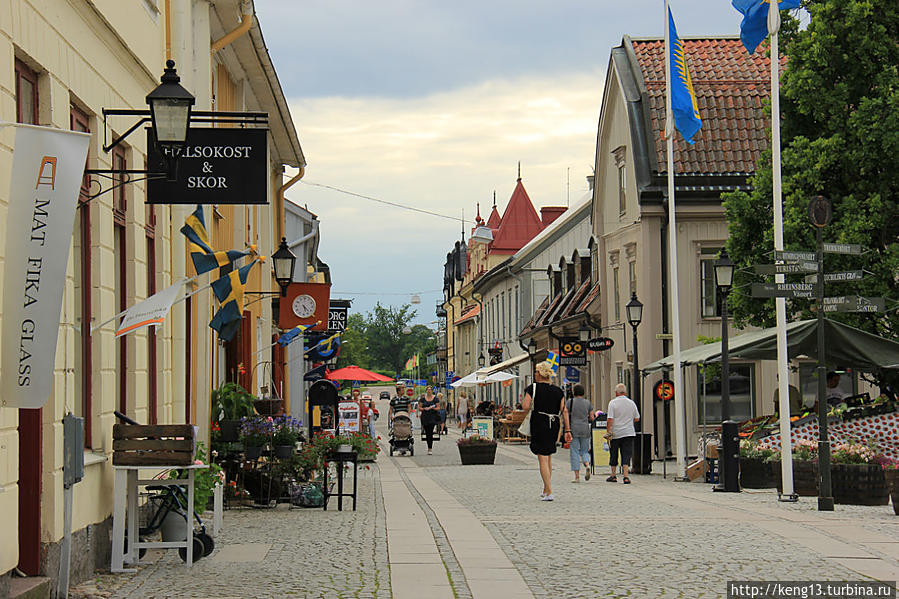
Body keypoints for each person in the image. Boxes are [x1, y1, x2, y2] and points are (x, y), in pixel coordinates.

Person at [522, 361, 571, 501]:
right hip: (554, 424)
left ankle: (549, 491)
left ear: (541, 374)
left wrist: (529, 402)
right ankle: (545, 488)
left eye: (537, 372)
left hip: (540, 422)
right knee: (548, 455)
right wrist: (568, 430)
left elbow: (525, 406)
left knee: (542, 457)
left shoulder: (533, 388)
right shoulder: (558, 390)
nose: (535, 374)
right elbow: (564, 410)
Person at [606, 383, 640, 484]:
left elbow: (610, 419)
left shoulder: (613, 403)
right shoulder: (631, 403)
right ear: (625, 392)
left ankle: (613, 475)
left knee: (614, 453)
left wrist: (608, 432)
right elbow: (637, 418)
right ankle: (626, 476)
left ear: (616, 393)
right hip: (628, 432)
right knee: (626, 453)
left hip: (616, 432)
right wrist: (628, 420)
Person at [567, 384, 594, 483]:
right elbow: (592, 417)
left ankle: (577, 476)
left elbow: (565, 413)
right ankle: (587, 465)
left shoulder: (570, 402)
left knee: (574, 451)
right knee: (585, 450)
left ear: (574, 392)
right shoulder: (587, 403)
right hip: (585, 428)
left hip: (574, 428)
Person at [419, 388, 440, 455]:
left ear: (432, 391)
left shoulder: (435, 399)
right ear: (426, 391)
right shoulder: (423, 399)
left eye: (430, 389)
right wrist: (424, 408)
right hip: (425, 416)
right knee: (427, 432)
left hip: (432, 417)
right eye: (428, 389)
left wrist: (433, 408)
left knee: (430, 432)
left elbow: (438, 407)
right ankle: (429, 446)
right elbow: (419, 408)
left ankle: (430, 448)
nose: (429, 391)